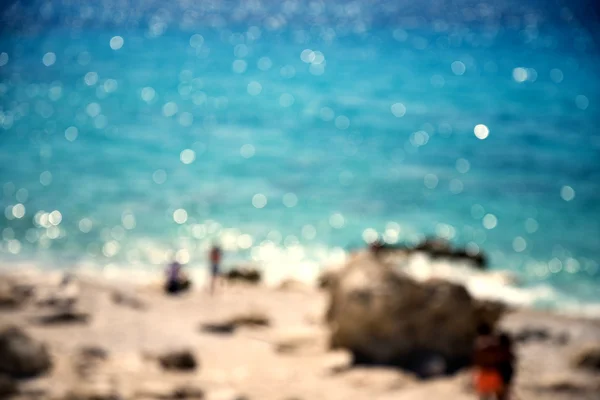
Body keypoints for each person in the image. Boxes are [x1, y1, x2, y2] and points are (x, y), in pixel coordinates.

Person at [473, 323, 504, 400]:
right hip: (494, 371)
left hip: (484, 372)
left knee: (484, 396)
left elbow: (476, 358)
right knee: (500, 395)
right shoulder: (494, 341)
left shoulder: (478, 342)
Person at [497, 333, 515, 400]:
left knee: (501, 393)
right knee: (506, 392)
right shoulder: (508, 349)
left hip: (500, 371)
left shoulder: (498, 350)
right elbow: (512, 358)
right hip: (507, 371)